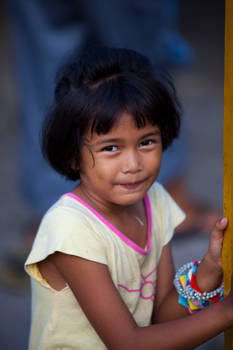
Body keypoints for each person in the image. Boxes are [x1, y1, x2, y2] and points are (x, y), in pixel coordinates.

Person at [25, 47, 231, 349]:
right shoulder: (71, 229)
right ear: (72, 156)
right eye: (111, 148)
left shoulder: (155, 200)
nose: (133, 164)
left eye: (146, 142)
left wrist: (207, 272)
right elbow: (128, 344)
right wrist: (226, 312)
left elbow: (161, 318)